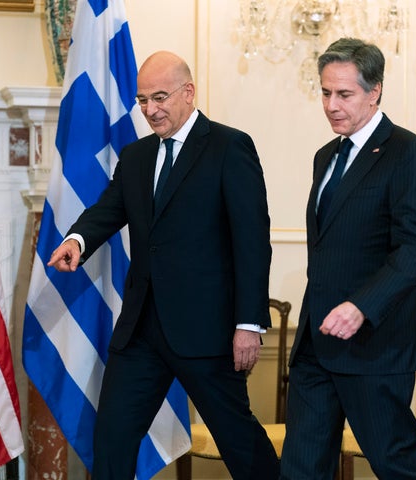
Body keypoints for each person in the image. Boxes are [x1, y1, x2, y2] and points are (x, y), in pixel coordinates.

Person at [47, 50, 280, 480]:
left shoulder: (230, 147)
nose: (150, 110)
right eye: (142, 100)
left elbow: (252, 241)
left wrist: (249, 322)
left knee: (239, 442)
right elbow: (109, 209)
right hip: (141, 331)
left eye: (159, 97)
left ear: (188, 93)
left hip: (207, 332)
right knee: (112, 439)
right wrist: (78, 240)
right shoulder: (136, 157)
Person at [279, 38, 416, 479]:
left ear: (375, 91)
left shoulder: (407, 151)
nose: (331, 105)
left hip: (375, 345)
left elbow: (415, 248)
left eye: (344, 94)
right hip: (316, 343)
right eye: (325, 92)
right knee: (301, 469)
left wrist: (361, 307)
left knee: (397, 465)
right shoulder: (325, 157)